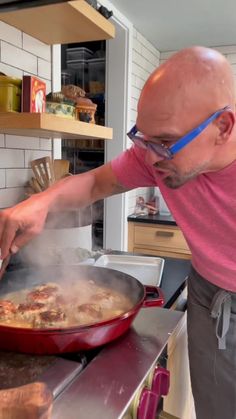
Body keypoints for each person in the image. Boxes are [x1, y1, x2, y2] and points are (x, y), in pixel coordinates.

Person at [0, 45, 236, 418]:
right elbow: (94, 184)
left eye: (165, 142)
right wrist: (38, 205)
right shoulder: (154, 153)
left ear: (222, 127)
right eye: (144, 139)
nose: (151, 158)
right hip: (208, 293)